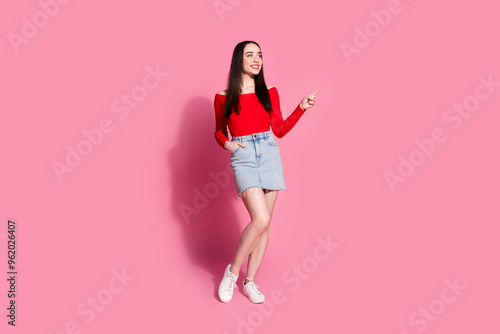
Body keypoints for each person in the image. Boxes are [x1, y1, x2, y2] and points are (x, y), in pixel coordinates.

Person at [214, 40, 322, 303]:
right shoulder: (222, 97)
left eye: (259, 55)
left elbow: (280, 130)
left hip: (269, 152)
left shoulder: (269, 92)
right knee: (259, 219)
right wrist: (227, 143)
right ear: (238, 59)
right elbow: (218, 131)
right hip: (244, 157)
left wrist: (301, 108)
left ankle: (250, 282)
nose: (256, 59)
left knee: (266, 225)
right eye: (250, 54)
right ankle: (231, 272)